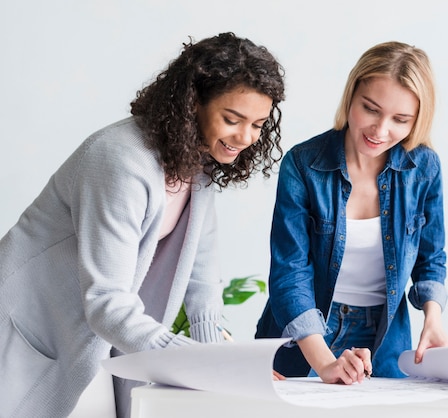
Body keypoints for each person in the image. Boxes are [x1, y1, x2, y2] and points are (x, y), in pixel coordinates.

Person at [0, 32, 285, 418]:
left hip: (81, 339)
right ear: (192, 104)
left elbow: (202, 288)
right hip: (24, 327)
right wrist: (199, 364)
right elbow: (107, 302)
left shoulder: (197, 168)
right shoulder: (119, 161)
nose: (246, 137)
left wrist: (226, 370)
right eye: (232, 119)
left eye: (258, 124)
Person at [255, 40, 448, 384]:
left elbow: (430, 258)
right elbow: (290, 274)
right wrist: (325, 362)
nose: (380, 130)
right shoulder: (304, 165)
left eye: (401, 119)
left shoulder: (424, 168)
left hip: (386, 336)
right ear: (351, 95)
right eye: (371, 109)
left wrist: (432, 318)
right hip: (304, 334)